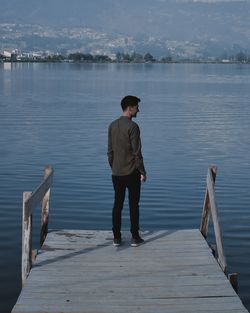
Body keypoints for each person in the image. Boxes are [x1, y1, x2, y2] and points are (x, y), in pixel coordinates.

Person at [107, 95, 146, 247]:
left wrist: (114, 166)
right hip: (132, 172)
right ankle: (135, 237)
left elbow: (110, 152)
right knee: (133, 204)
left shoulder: (112, 125)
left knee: (117, 204)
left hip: (116, 173)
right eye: (137, 107)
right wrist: (142, 171)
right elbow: (137, 152)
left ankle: (116, 237)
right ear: (130, 108)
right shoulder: (133, 127)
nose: (139, 110)